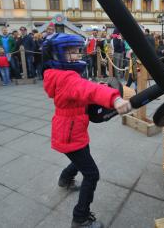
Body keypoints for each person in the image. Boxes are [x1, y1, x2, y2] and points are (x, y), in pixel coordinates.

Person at [42, 33, 131, 228]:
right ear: (56, 55)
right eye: (70, 52)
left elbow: (84, 89)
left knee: (82, 156)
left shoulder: (58, 75)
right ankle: (80, 218)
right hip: (70, 133)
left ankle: (65, 179)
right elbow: (87, 90)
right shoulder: (67, 78)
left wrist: (98, 88)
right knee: (92, 174)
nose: (76, 55)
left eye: (76, 51)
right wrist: (114, 99)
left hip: (70, 130)